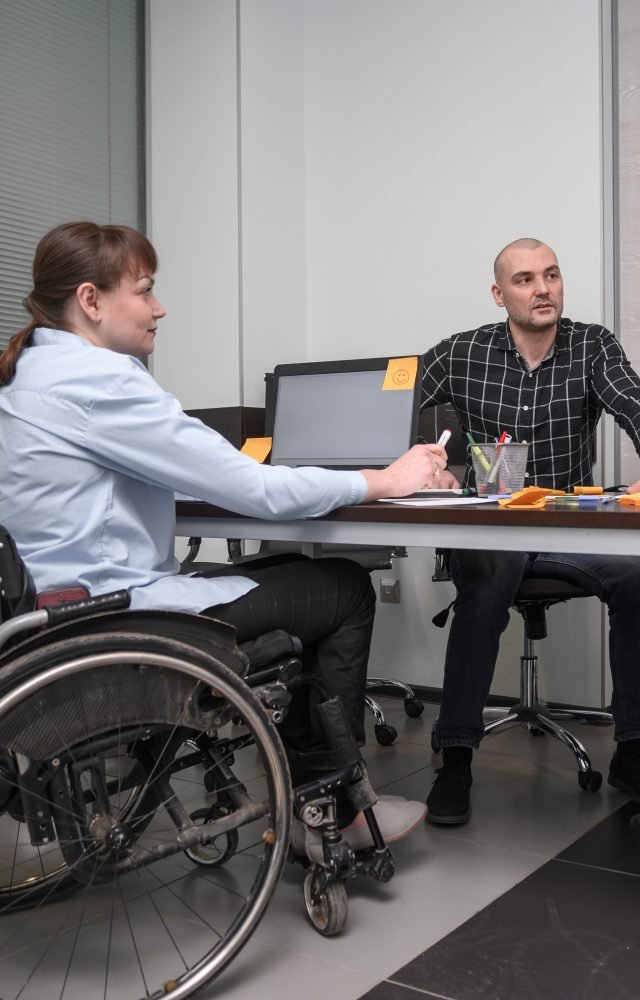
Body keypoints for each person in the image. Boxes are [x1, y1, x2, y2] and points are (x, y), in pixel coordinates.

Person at [0, 221, 450, 850]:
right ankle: (332, 810)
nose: (160, 308)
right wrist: (386, 478)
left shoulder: (27, 377)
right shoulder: (104, 380)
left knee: (288, 570)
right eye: (146, 290)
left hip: (49, 623)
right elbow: (259, 492)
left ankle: (312, 792)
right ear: (91, 301)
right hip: (114, 620)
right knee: (343, 586)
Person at [419, 237, 640, 825]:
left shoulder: (591, 345)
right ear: (500, 294)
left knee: (633, 576)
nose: (542, 289)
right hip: (488, 528)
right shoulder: (461, 353)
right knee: (490, 575)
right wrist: (427, 464)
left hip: (563, 526)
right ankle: (457, 757)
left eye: (551, 275)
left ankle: (631, 749)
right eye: (524, 280)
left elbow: (637, 405)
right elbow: (399, 404)